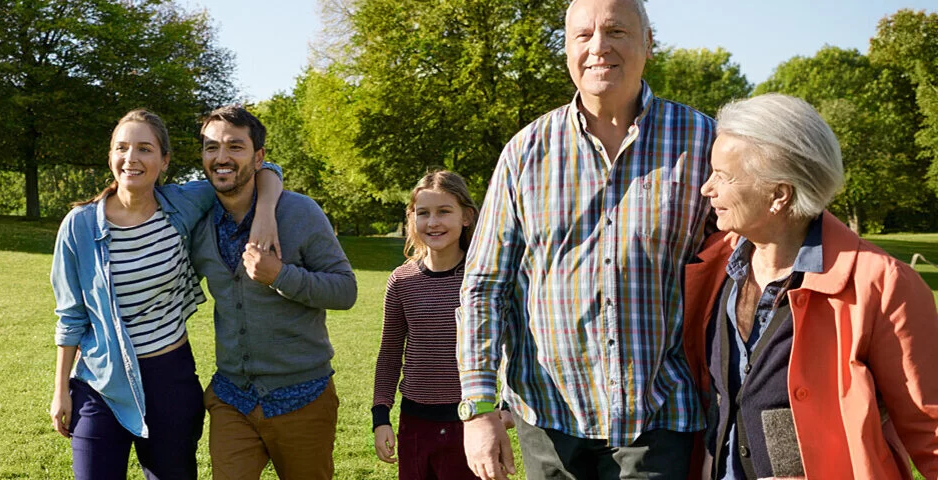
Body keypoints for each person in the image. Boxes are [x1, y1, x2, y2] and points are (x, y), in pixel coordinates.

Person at [457, 0, 717, 478]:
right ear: (568, 51)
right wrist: (477, 409)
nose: (599, 47)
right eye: (583, 35)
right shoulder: (525, 152)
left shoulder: (704, 142)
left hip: (660, 415)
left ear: (648, 44)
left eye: (616, 30)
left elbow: (747, 259)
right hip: (549, 419)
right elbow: (483, 286)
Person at [680, 93, 938, 480]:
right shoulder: (715, 265)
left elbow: (930, 432)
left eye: (724, 176)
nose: (706, 189)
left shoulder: (884, 286)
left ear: (779, 195)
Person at [49, 108, 284, 480]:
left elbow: (262, 170)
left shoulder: (184, 203)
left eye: (145, 149)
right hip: (99, 381)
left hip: (169, 376)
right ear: (110, 156)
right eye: (122, 148)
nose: (131, 159)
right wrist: (61, 390)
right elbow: (71, 315)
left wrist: (266, 212)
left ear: (164, 160)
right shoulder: (78, 226)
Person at [188, 104, 358, 480]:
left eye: (235, 147)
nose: (221, 157)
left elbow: (345, 290)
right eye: (211, 147)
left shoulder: (299, 212)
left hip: (303, 396)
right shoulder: (197, 217)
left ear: (259, 156)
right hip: (232, 397)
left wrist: (280, 276)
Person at [372, 171, 501, 480]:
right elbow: (390, 354)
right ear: (412, 219)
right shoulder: (402, 281)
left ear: (467, 216)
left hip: (470, 421)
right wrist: (381, 417)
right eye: (423, 213)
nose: (433, 222)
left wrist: (505, 406)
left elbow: (509, 350)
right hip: (415, 422)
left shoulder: (483, 279)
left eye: (444, 211)